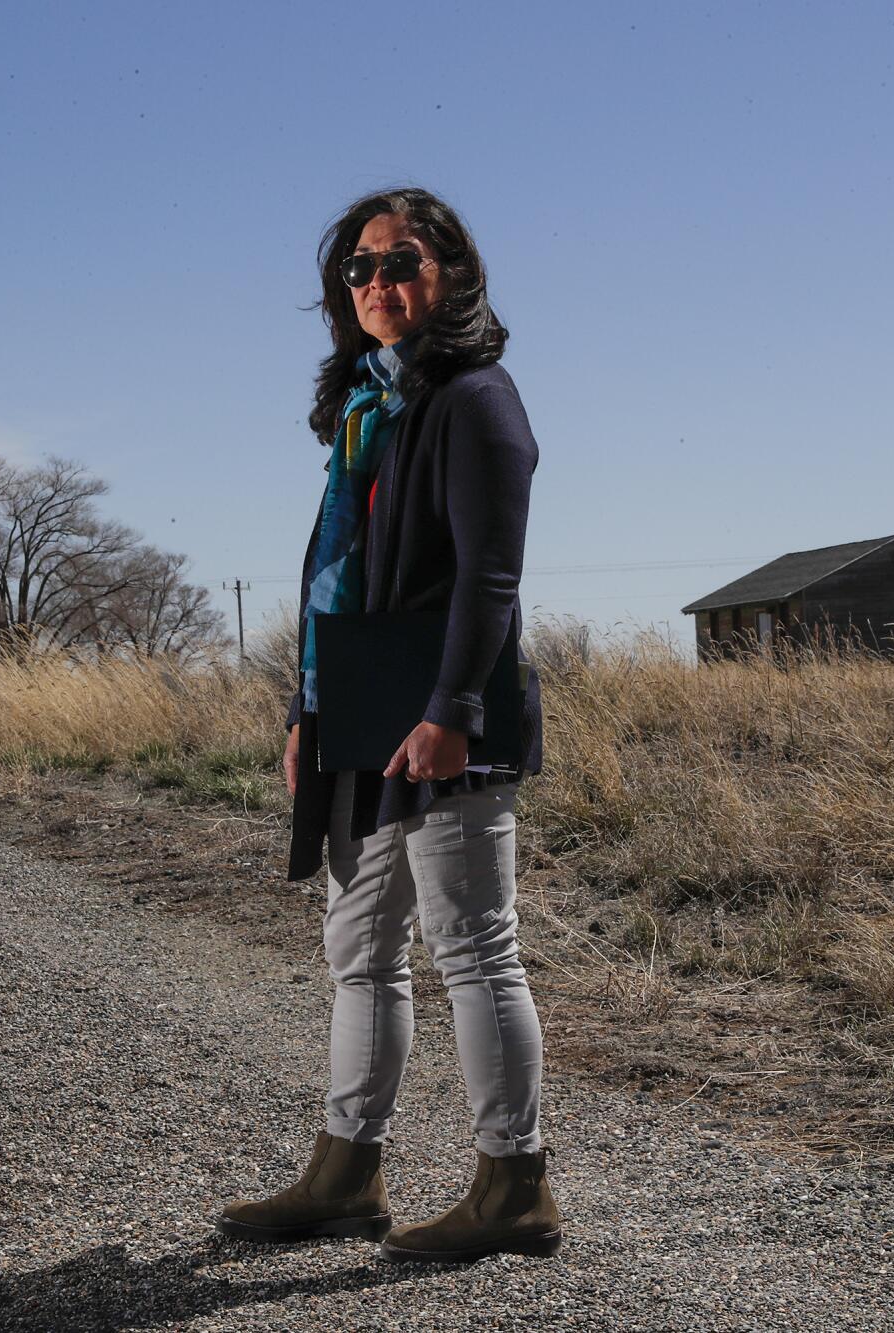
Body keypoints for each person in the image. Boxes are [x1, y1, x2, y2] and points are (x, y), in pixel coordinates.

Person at [216, 186, 560, 1263]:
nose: (377, 286)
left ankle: (513, 1184)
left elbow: (488, 579)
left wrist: (452, 711)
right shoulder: (368, 410)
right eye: (357, 271)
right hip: (356, 719)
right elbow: (337, 584)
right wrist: (304, 711)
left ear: (450, 273)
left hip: (442, 721)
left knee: (471, 948)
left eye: (399, 262)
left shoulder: (475, 400)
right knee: (358, 949)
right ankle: (343, 1169)